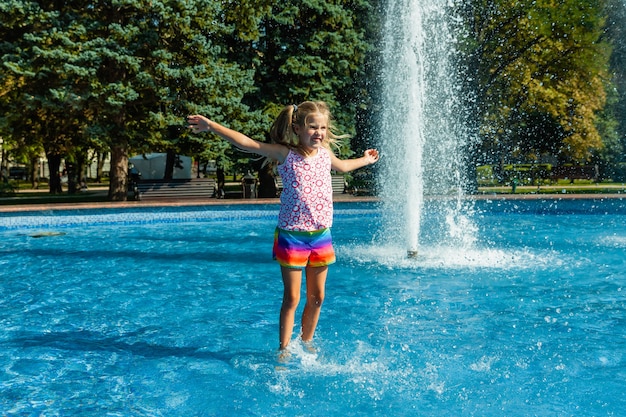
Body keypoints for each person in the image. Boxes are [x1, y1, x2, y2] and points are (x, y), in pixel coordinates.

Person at [187, 101, 379, 351]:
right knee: (292, 298)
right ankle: (284, 350)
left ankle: (307, 343)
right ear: (298, 128)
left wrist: (364, 160)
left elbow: (343, 166)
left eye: (322, 127)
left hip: (321, 236)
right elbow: (247, 143)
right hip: (293, 237)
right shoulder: (285, 154)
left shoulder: (325, 155)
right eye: (312, 127)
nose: (318, 132)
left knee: (318, 298)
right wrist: (211, 126)